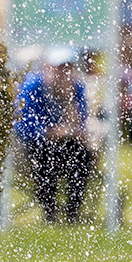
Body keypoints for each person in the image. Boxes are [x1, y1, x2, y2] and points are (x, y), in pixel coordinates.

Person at [14, 47, 94, 225]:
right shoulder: (32, 87)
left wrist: (68, 99)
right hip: (36, 146)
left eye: (68, 68)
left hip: (67, 144)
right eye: (59, 68)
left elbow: (79, 123)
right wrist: (50, 132)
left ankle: (72, 214)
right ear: (47, 67)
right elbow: (23, 125)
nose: (63, 73)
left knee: (81, 155)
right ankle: (50, 214)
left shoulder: (76, 88)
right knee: (45, 156)